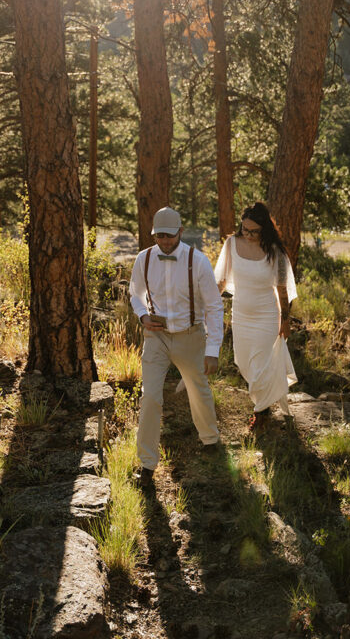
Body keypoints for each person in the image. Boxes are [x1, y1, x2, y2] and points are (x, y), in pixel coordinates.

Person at [130, 206, 223, 488]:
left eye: (169, 236)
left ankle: (210, 440)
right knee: (150, 398)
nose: (165, 242)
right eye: (159, 236)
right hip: (156, 337)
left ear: (180, 232)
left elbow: (215, 307)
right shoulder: (143, 259)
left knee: (198, 389)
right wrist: (143, 315)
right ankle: (146, 465)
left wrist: (213, 349)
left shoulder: (199, 262)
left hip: (190, 336)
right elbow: (135, 294)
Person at [214, 201, 297, 431]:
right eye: (245, 229)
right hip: (241, 315)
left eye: (254, 231)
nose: (248, 235)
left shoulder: (275, 251)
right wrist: (209, 305)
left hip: (267, 317)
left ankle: (261, 413)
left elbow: (282, 289)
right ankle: (263, 405)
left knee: (261, 366)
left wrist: (285, 320)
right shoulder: (231, 244)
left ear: (264, 229)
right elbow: (221, 281)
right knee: (244, 364)